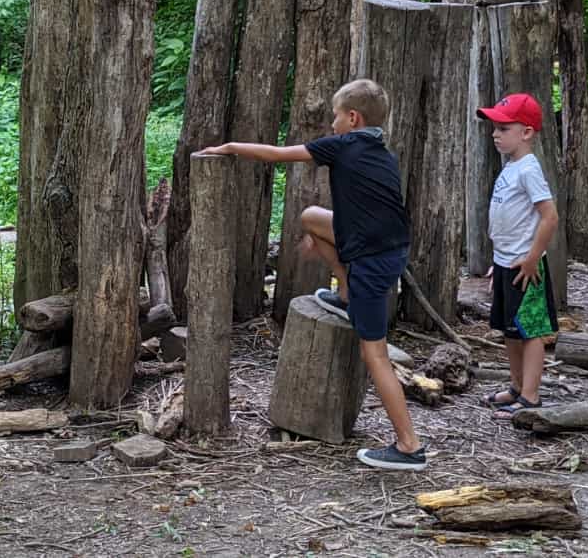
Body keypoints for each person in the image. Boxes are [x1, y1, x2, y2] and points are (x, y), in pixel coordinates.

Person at [198, 78, 426, 470]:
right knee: (311, 219)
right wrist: (324, 240)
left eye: (335, 116)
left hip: (373, 261)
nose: (332, 123)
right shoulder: (379, 150)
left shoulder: (341, 144)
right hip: (389, 246)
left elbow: (275, 154)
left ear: (352, 118)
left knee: (374, 354)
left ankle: (409, 446)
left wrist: (231, 147)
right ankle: (346, 297)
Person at [475, 93, 560, 419]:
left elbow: (549, 216)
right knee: (509, 329)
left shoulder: (528, 170)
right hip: (506, 262)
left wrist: (531, 258)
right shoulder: (511, 167)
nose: (495, 134)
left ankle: (530, 397)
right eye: (494, 128)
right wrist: (499, 262)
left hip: (526, 266)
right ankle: (515, 385)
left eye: (503, 127)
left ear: (526, 132)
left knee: (530, 331)